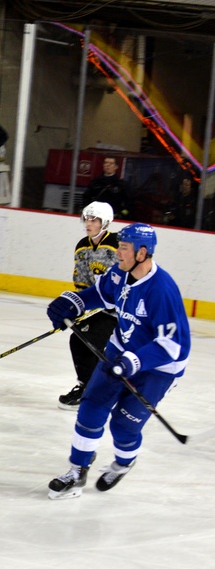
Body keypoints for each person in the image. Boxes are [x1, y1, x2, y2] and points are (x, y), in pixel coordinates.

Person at [45, 222, 190, 499]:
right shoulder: (119, 273)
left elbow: (171, 345)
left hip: (159, 366)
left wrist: (132, 362)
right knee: (91, 407)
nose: (118, 253)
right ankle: (77, 471)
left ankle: (124, 463)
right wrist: (73, 303)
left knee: (123, 425)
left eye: (124, 248)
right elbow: (99, 295)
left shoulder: (162, 290)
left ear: (142, 253)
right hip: (120, 350)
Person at [58, 201, 120, 410]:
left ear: (106, 222)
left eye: (94, 219)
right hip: (96, 307)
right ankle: (86, 386)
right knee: (78, 340)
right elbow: (82, 282)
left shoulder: (117, 244)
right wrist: (77, 306)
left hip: (118, 311)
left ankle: (96, 390)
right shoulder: (82, 246)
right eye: (87, 218)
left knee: (90, 340)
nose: (89, 223)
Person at [82, 156, 133, 220]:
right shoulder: (95, 182)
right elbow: (86, 198)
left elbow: (130, 202)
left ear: (116, 167)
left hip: (114, 218)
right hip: (96, 217)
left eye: (111, 163)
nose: (108, 165)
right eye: (106, 163)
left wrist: (121, 214)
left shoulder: (121, 185)